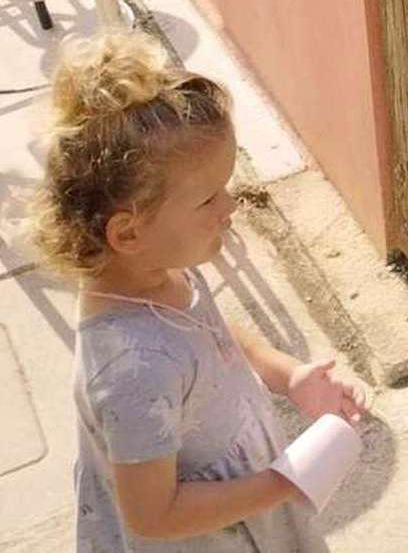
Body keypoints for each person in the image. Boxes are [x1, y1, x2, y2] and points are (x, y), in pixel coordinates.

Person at [34, 31, 366, 553]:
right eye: (209, 198)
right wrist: (283, 483)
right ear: (128, 233)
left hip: (242, 507)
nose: (230, 206)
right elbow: (153, 514)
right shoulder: (132, 370)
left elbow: (208, 328)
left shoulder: (155, 271)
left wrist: (287, 375)